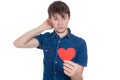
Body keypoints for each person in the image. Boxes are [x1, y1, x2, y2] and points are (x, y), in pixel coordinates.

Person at [13, 1, 88, 80]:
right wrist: (42, 27)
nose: (60, 23)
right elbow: (18, 43)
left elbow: (79, 77)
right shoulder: (46, 38)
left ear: (69, 18)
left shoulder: (80, 43)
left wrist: (74, 75)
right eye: (55, 19)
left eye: (63, 18)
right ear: (50, 20)